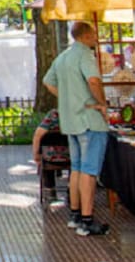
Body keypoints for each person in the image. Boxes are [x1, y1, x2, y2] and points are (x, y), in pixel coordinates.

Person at [44, 21, 111, 236]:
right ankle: (87, 219)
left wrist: (68, 98)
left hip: (70, 121)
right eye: (94, 34)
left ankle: (75, 214)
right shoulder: (85, 55)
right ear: (86, 35)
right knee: (89, 172)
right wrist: (101, 103)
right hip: (89, 120)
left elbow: (48, 82)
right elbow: (94, 81)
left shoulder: (62, 57)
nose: (96, 38)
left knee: (76, 168)